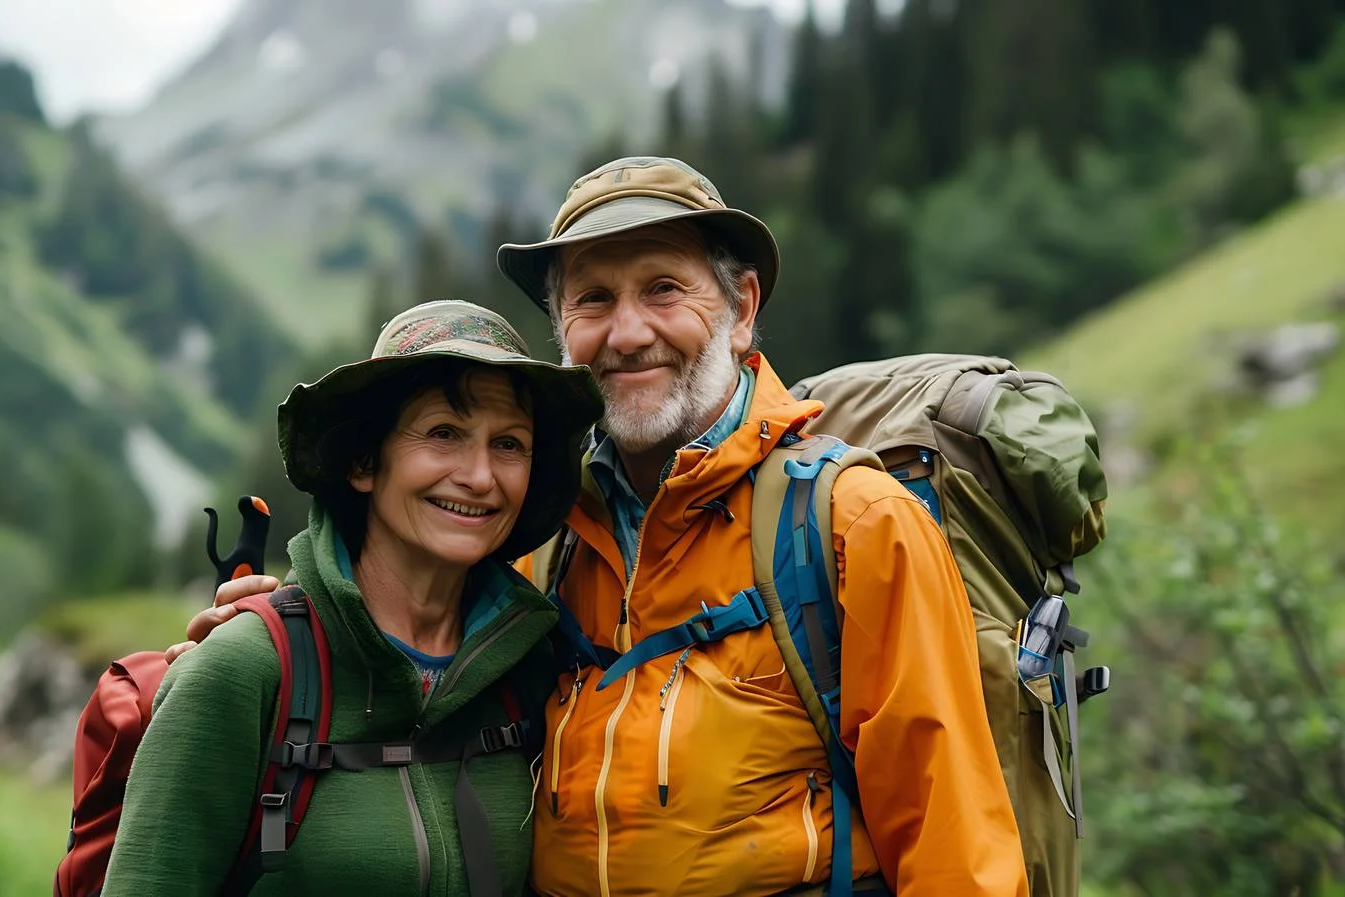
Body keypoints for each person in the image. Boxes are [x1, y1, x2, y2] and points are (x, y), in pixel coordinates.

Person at [184, 158, 1029, 896]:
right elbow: (412, 653)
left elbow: (958, 855)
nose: (627, 333)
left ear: (740, 308)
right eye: (593, 299)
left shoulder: (854, 525)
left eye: (663, 287)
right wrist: (277, 647)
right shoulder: (541, 534)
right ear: (564, 335)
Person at [107, 299, 604, 896]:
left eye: (509, 444)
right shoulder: (244, 672)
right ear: (365, 463)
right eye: (444, 434)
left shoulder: (530, 671)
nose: (479, 476)